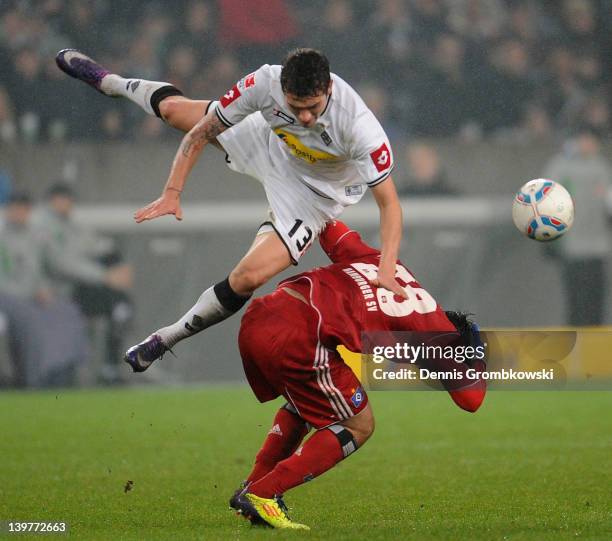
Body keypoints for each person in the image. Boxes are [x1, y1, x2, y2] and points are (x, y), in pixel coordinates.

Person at [55, 47, 406, 368]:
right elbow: (200, 133)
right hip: (269, 143)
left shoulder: (360, 128)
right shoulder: (264, 81)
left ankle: (165, 338)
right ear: (282, 87)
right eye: (295, 106)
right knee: (174, 110)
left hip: (314, 195)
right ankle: (110, 83)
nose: (304, 118)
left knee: (248, 277)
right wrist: (173, 191)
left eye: (312, 108)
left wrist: (386, 267)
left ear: (329, 88)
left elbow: (389, 205)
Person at [126, 220, 487, 529]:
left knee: (307, 404)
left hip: (263, 314)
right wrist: (479, 358)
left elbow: (327, 223)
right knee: (359, 424)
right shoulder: (437, 333)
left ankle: (251, 487)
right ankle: (264, 494)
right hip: (302, 335)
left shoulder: (381, 260)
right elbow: (471, 401)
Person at [32, 183, 133, 382]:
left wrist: (120, 265)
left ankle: (110, 367)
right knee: (114, 301)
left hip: (77, 288)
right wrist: (104, 276)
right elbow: (61, 263)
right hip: (55, 291)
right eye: (61, 199)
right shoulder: (41, 226)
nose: (66, 204)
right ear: (52, 201)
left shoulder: (72, 225)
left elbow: (98, 246)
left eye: (68, 199)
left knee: (121, 304)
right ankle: (88, 370)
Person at [0, 192, 87, 387]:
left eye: (23, 209)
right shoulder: (2, 238)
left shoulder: (37, 235)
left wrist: (43, 288)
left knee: (67, 312)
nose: (19, 214)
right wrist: (30, 292)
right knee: (32, 320)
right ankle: (33, 379)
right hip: (9, 297)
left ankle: (64, 370)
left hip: (32, 296)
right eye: (15, 209)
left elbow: (55, 265)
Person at [543, 129, 612, 325]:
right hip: (574, 246)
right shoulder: (563, 166)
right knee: (578, 301)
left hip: (595, 247)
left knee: (593, 302)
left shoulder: (600, 167)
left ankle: (591, 345)